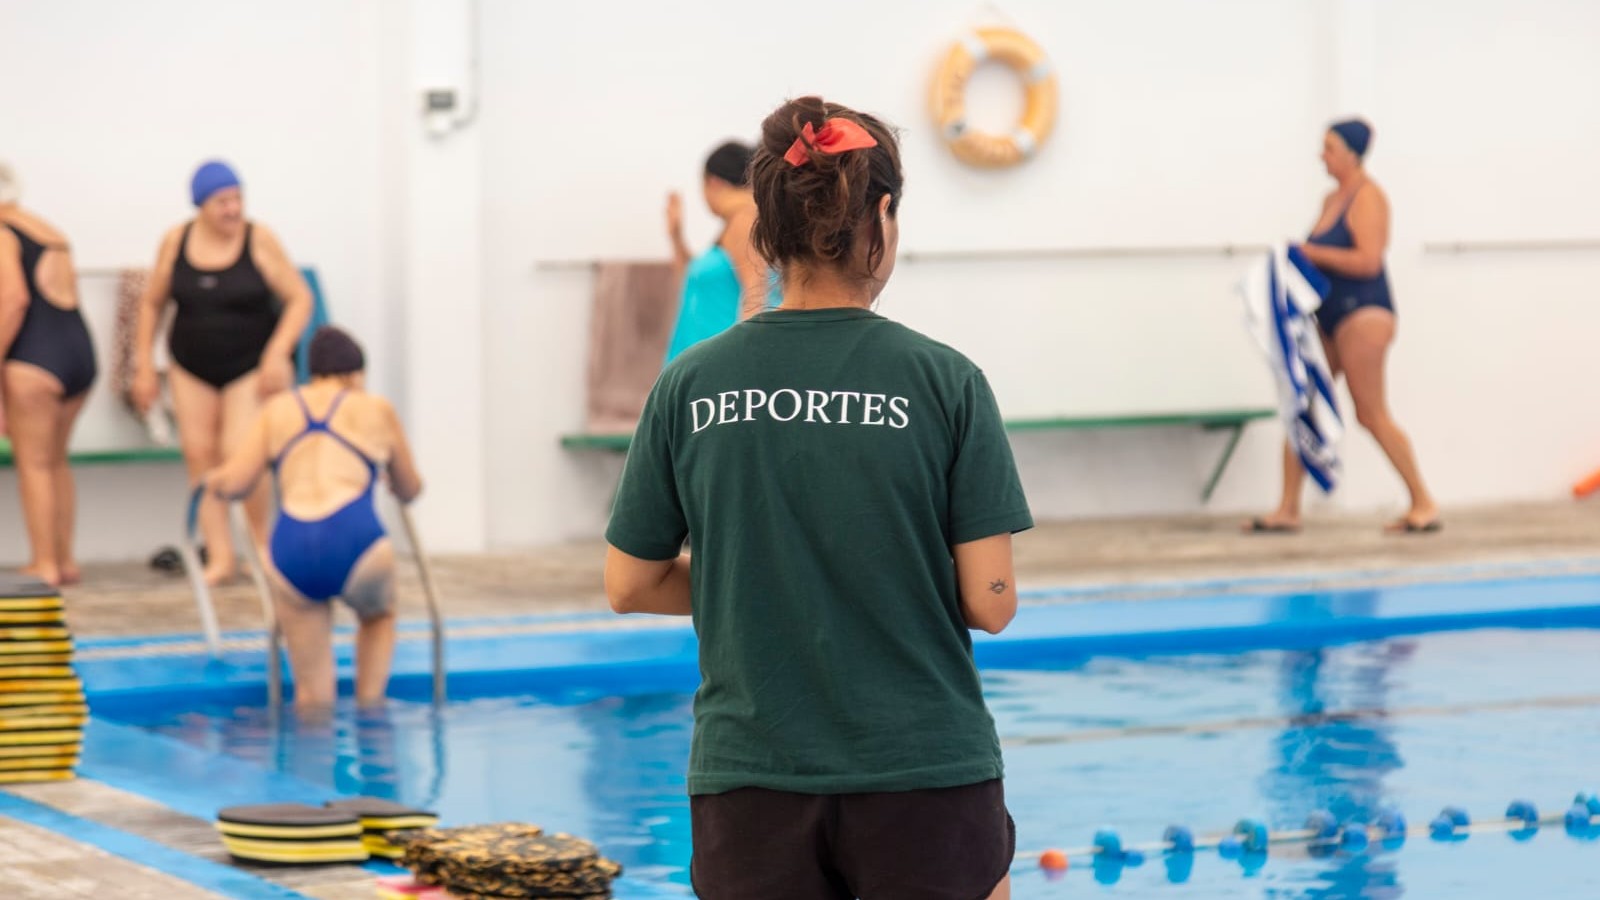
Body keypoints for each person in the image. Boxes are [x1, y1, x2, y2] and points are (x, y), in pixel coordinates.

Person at [605, 96, 1030, 900]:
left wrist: (760, 577)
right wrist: (876, 570)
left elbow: (628, 584)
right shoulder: (946, 382)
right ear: (881, 216)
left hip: (750, 777)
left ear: (768, 228)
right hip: (921, 771)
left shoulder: (689, 384)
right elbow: (992, 600)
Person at [207, 326, 422, 710]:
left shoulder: (278, 409)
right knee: (378, 616)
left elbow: (236, 484)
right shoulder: (374, 407)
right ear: (356, 373)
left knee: (312, 699)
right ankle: (371, 711)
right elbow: (410, 488)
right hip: (355, 536)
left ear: (312, 373)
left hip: (293, 543)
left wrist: (214, 480)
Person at [1247, 119, 1439, 534]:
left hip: (1364, 314)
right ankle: (1287, 509)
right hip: (1328, 316)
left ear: (1351, 154)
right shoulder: (1330, 198)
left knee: (1369, 413)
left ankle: (1423, 502)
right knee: (1303, 403)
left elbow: (1368, 261)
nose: (1322, 156)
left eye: (1329, 149)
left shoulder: (1370, 198)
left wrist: (1310, 252)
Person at [130, 160, 313, 584]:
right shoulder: (175, 242)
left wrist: (277, 353)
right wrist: (143, 365)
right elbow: (152, 303)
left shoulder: (260, 240)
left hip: (249, 364)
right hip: (191, 364)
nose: (233, 210)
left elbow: (299, 298)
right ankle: (220, 557)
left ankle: (261, 548)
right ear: (201, 206)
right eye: (222, 202)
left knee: (241, 453)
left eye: (238, 199)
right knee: (200, 456)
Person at [0, 163, 98, 587]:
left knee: (34, 464)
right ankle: (65, 559)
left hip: (34, 360)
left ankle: (44, 563)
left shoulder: (2, 233)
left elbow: (14, 300)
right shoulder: (47, 229)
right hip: (78, 351)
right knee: (56, 461)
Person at [662, 141, 770, 364]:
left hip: (716, 365)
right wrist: (676, 235)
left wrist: (742, 367)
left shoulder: (744, 219)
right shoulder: (738, 222)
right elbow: (693, 281)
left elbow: (756, 294)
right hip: (699, 361)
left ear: (713, 182)